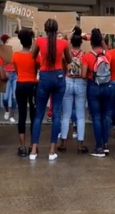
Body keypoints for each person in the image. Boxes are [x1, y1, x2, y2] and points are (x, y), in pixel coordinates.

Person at [29, 19, 72, 161]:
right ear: (57, 28)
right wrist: (68, 41)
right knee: (56, 114)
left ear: (45, 29)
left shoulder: (40, 41)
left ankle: (34, 149)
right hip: (59, 77)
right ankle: (52, 150)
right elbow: (69, 60)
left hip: (44, 77)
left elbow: (32, 56)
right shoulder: (64, 43)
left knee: (39, 114)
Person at [82, 28, 112, 157]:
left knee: (96, 117)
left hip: (93, 86)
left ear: (90, 42)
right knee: (105, 116)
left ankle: (98, 147)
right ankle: (105, 145)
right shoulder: (107, 55)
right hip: (107, 86)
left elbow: (83, 75)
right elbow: (107, 52)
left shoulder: (87, 56)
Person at [58, 28, 88, 154]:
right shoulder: (84, 54)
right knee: (81, 115)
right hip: (81, 82)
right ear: (81, 43)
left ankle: (63, 143)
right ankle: (80, 144)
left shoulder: (67, 53)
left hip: (68, 81)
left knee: (66, 115)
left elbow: (63, 66)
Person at [12, 29, 40, 157]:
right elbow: (37, 68)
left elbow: (17, 71)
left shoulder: (15, 55)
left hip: (20, 84)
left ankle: (22, 147)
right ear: (31, 42)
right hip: (33, 85)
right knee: (34, 115)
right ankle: (32, 145)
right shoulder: (35, 56)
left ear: (21, 41)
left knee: (22, 114)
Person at [1, 34, 17, 123]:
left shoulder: (16, 51)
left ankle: (12, 114)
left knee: (14, 97)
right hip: (6, 75)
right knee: (5, 98)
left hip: (15, 75)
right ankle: (7, 110)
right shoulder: (3, 52)